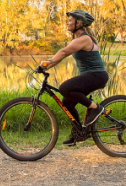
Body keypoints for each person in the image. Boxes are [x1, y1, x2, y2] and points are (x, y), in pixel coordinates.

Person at [40, 9, 108, 146]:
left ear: (79, 23)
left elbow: (64, 52)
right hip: (91, 75)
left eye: (70, 20)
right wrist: (47, 65)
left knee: (64, 88)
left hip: (96, 75)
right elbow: (63, 54)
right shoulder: (79, 39)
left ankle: (95, 108)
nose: (68, 22)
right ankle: (78, 133)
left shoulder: (84, 39)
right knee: (67, 102)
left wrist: (47, 63)